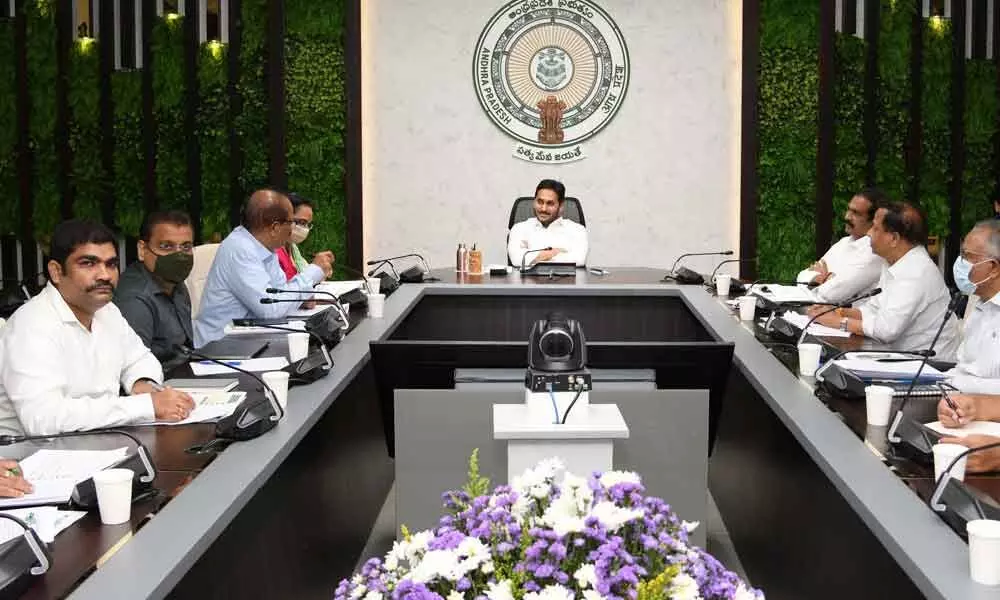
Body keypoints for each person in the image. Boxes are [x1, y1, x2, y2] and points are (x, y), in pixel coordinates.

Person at [0, 220, 194, 436]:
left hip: (98, 440)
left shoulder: (106, 311)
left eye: (110, 264)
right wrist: (145, 406)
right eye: (88, 263)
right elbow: (43, 420)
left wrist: (143, 383)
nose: (104, 275)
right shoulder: (32, 325)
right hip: (32, 455)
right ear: (56, 272)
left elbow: (139, 359)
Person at [808, 200, 960, 360]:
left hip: (928, 367)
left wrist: (839, 322)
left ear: (894, 238)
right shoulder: (892, 261)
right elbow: (873, 310)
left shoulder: (916, 272)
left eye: (875, 228)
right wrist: (836, 311)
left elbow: (886, 330)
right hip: (897, 356)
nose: (868, 234)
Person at [194, 189, 335, 346]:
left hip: (249, 338)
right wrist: (313, 272)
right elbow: (271, 309)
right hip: (218, 348)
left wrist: (299, 296)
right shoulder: (240, 249)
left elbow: (281, 293)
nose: (291, 230)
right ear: (275, 228)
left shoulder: (267, 247)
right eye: (291, 223)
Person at [114, 210, 195, 371]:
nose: (178, 255)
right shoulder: (135, 300)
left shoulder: (174, 283)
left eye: (185, 247)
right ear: (142, 250)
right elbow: (132, 370)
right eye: (166, 246)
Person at [796, 188, 885, 304]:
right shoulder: (844, 242)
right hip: (815, 313)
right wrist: (820, 278)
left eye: (856, 213)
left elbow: (831, 295)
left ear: (873, 221)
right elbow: (800, 277)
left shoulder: (875, 252)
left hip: (843, 319)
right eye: (849, 210)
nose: (847, 216)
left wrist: (823, 278)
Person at [943, 219, 1000, 394]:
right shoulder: (978, 303)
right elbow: (964, 367)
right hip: (958, 400)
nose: (960, 262)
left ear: (994, 268)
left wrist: (952, 382)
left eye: (967, 256)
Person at [507, 179, 588, 268]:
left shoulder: (578, 230)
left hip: (565, 281)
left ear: (560, 206)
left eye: (550, 204)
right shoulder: (519, 228)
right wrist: (553, 253)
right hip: (527, 281)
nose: (543, 209)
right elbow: (516, 259)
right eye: (540, 202)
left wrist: (533, 257)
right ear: (534, 202)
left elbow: (579, 259)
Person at [276, 193, 334, 281]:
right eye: (302, 223)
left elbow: (307, 279)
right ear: (285, 218)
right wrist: (315, 268)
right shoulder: (274, 251)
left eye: (308, 224)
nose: (305, 229)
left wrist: (321, 268)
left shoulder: (293, 248)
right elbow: (288, 289)